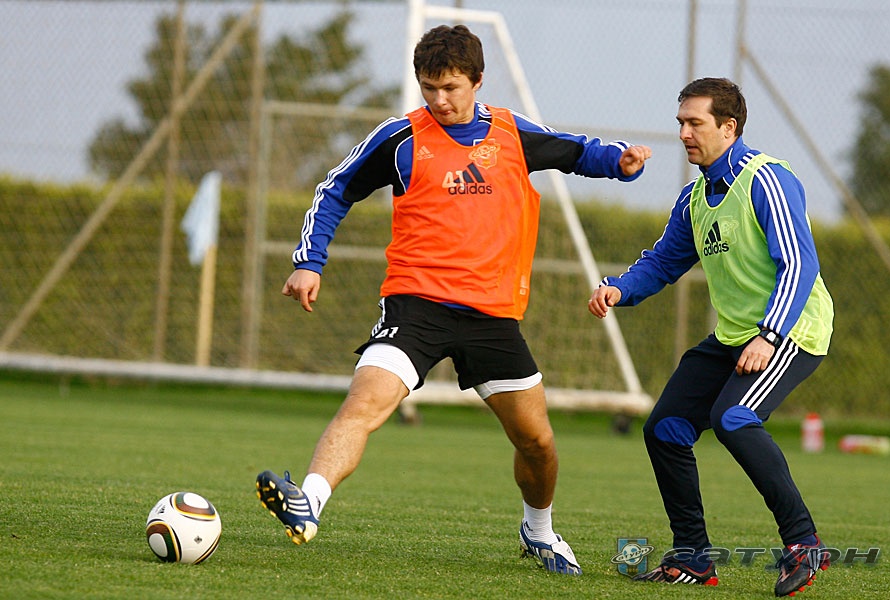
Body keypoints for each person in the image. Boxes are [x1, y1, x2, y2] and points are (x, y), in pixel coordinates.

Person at [255, 24, 652, 576]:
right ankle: (310, 501)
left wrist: (620, 163)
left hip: (492, 316)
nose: (439, 100)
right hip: (415, 306)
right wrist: (308, 261)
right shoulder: (400, 138)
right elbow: (335, 189)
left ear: (477, 81)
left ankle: (539, 532)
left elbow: (576, 151)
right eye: (429, 87)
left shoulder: (511, 133)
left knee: (537, 442)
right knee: (365, 402)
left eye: (450, 87)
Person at [588, 77, 833, 596]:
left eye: (694, 123)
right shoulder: (695, 197)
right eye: (680, 122)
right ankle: (693, 558)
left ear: (729, 127)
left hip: (792, 329)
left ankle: (804, 543)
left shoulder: (767, 179)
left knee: (734, 419)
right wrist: (619, 288)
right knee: (666, 429)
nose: (684, 133)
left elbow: (799, 263)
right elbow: (663, 262)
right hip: (736, 335)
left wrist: (769, 335)